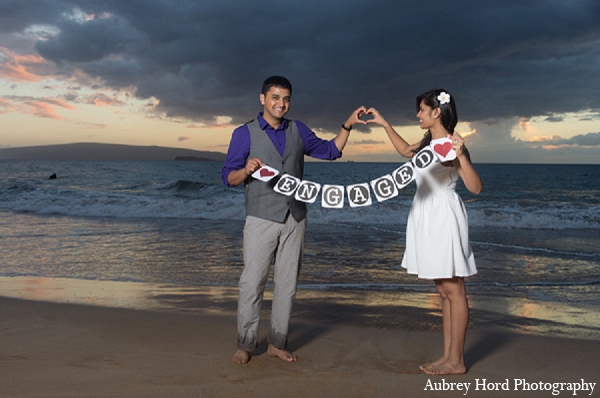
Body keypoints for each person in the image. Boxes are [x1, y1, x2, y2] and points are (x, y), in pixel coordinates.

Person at [222, 75, 367, 364]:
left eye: (286, 98)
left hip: (296, 218)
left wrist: (347, 124)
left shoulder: (297, 130)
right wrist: (246, 170)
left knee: (287, 286)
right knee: (252, 283)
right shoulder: (244, 133)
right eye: (275, 97)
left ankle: (277, 342)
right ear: (262, 99)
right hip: (261, 218)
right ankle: (246, 344)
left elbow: (330, 151)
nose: (281, 103)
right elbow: (229, 177)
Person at [367, 89, 482, 375]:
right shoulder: (430, 142)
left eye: (421, 109)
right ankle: (447, 356)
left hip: (443, 215)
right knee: (443, 291)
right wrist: (383, 123)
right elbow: (407, 152)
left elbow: (475, 187)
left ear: (436, 112)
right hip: (425, 214)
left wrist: (462, 156)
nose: (417, 114)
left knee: (454, 290)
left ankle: (457, 361)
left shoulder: (451, 144)